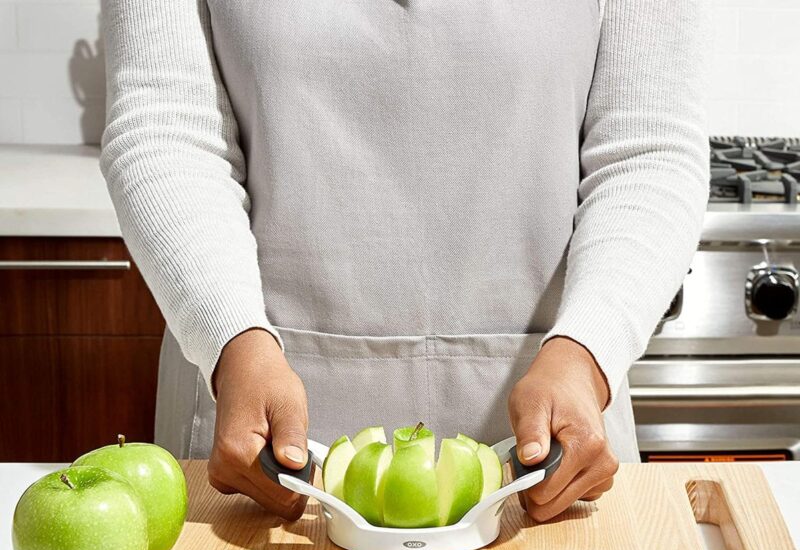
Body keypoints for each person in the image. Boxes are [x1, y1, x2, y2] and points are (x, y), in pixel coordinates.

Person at [100, 0, 708, 523]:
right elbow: (167, 128)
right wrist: (232, 345)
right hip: (252, 435)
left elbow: (646, 150)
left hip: (557, 440)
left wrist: (587, 355)